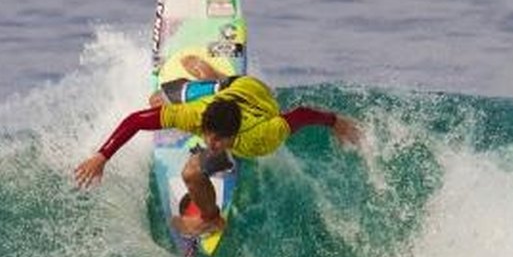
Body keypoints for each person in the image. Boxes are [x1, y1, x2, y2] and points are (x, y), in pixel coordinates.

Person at [74, 71, 361, 236]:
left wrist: (335, 122)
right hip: (230, 88)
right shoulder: (197, 116)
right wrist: (102, 156)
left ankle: (211, 218)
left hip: (258, 93)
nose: (210, 143)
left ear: (233, 136)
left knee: (191, 172)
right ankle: (207, 82)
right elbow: (136, 120)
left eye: (218, 141)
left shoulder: (262, 136)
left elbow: (299, 115)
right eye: (208, 136)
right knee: (157, 101)